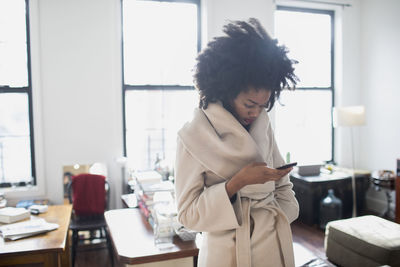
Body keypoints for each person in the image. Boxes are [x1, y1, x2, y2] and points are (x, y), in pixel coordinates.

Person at [175, 18, 299, 267]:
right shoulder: (192, 136)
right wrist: (238, 183)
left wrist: (279, 217)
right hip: (226, 254)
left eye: (263, 105)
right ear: (225, 89)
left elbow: (284, 187)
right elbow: (188, 215)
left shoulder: (263, 124)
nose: (256, 113)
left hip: (273, 246)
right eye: (249, 104)